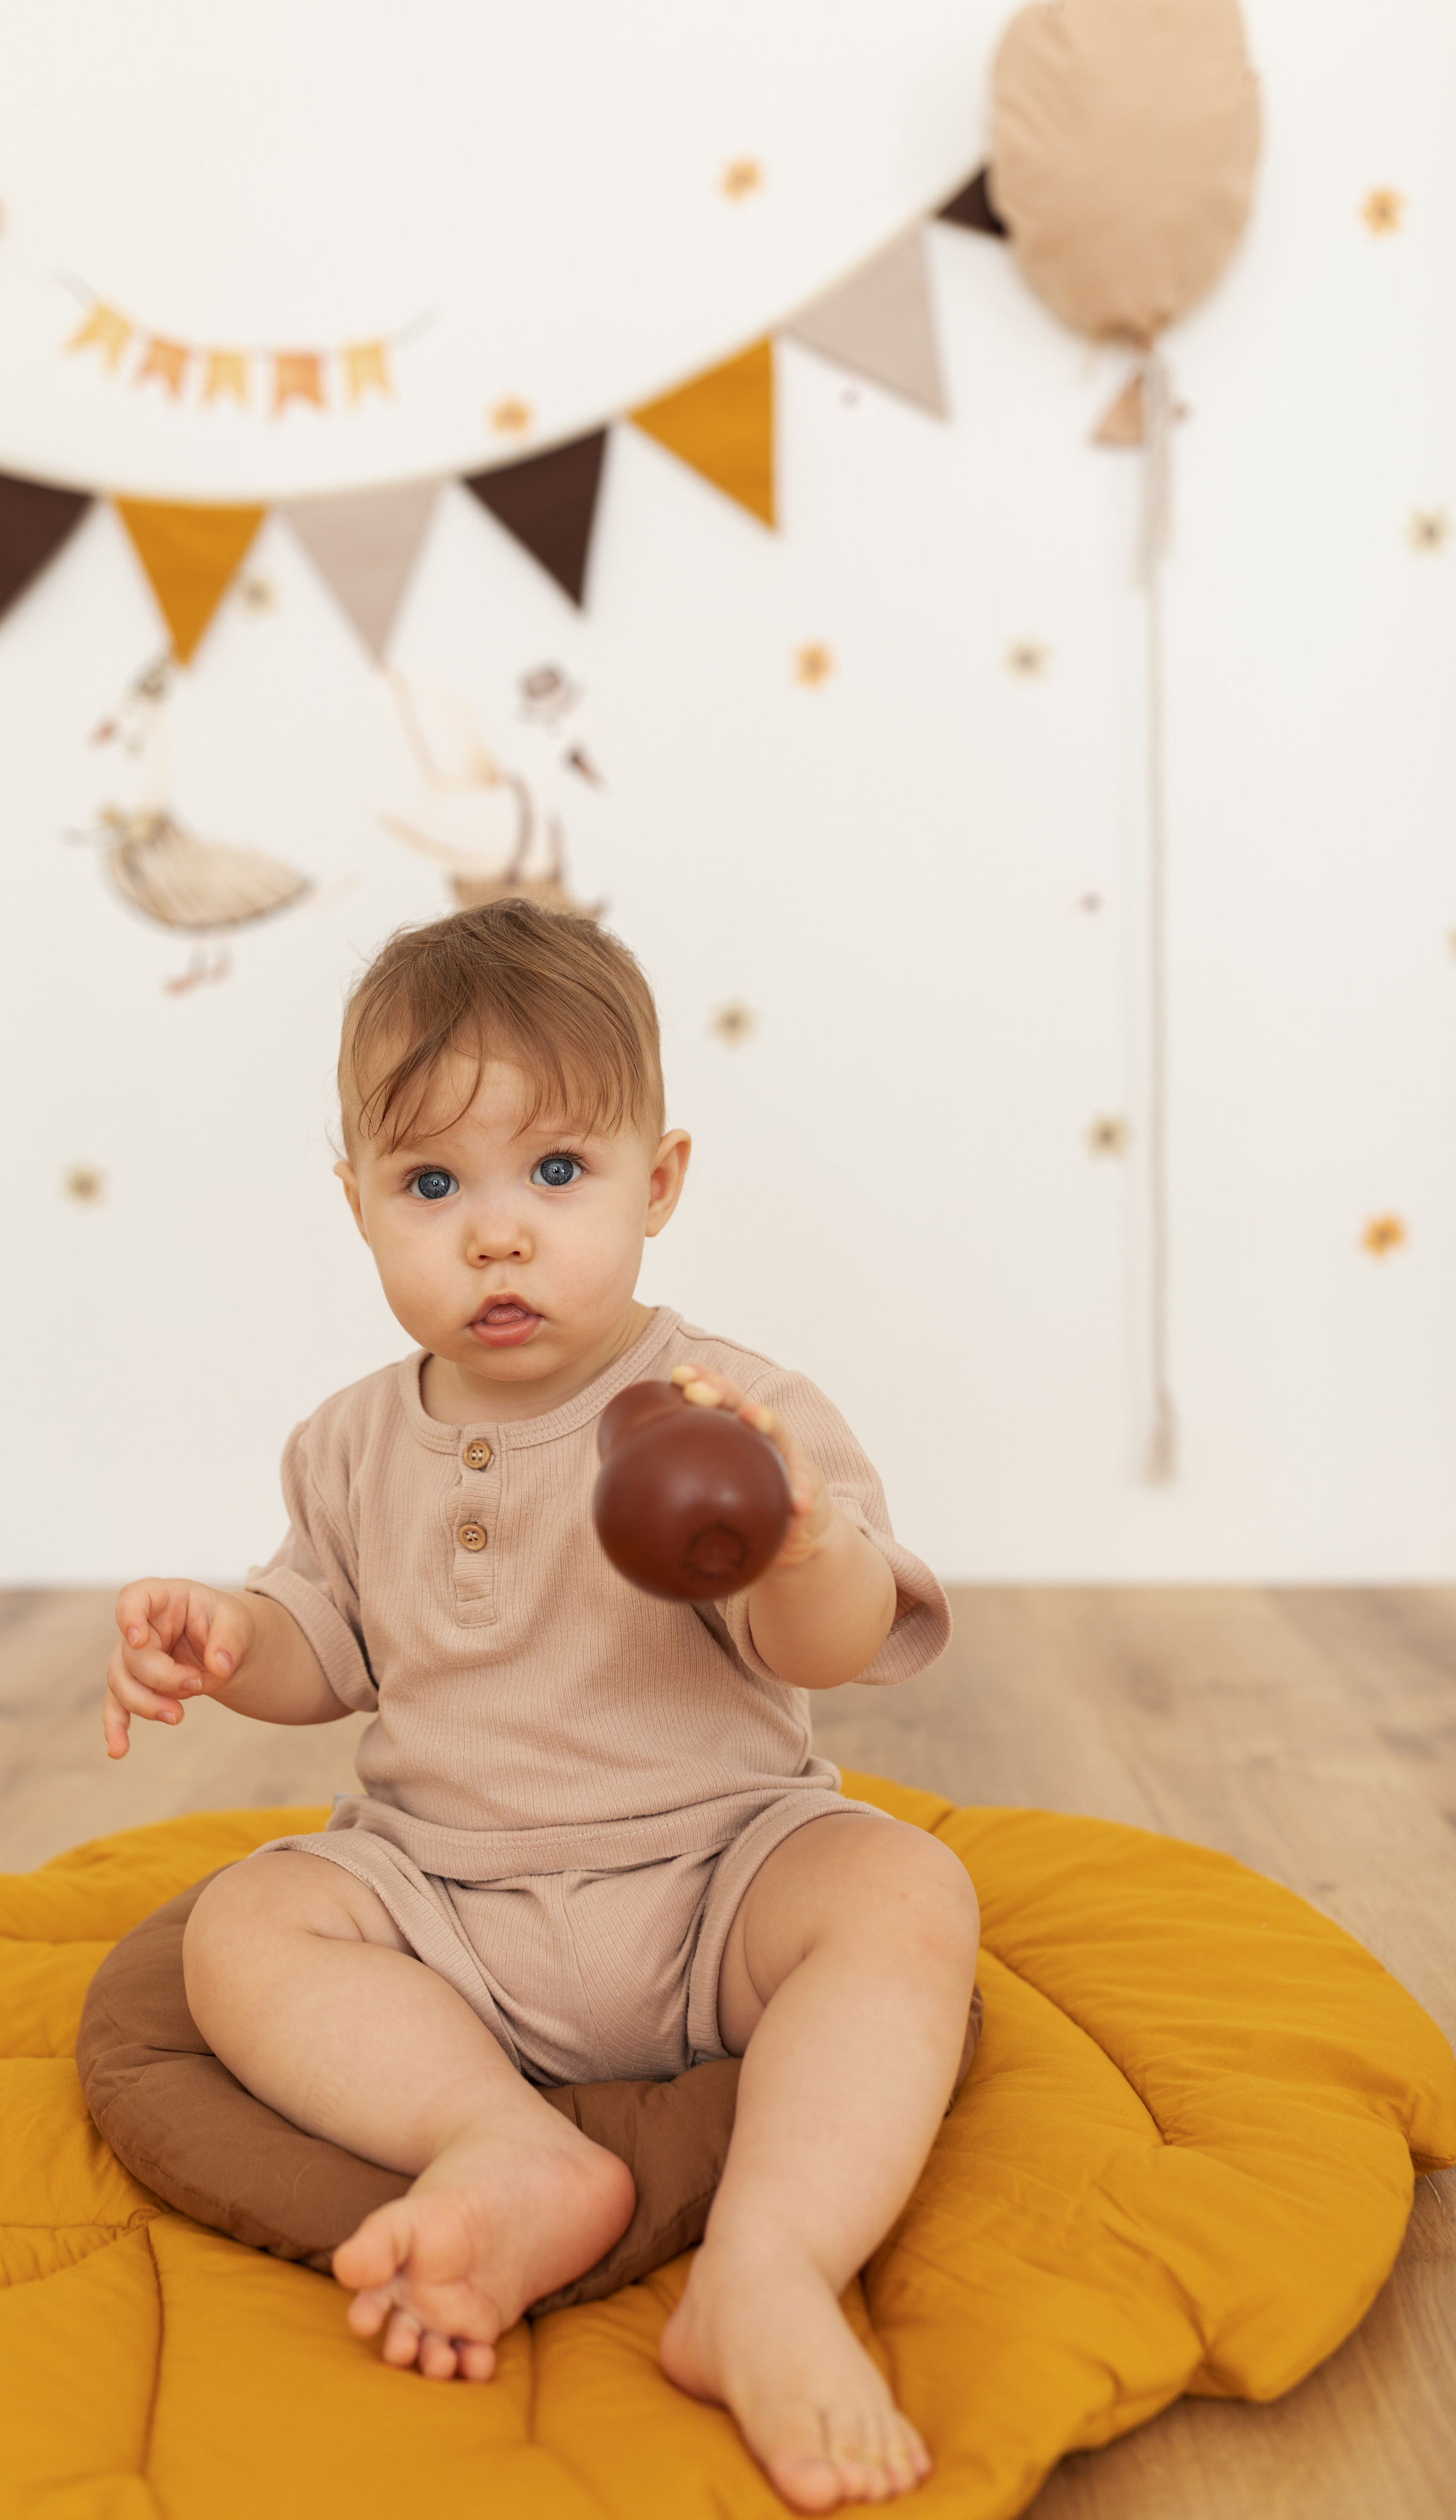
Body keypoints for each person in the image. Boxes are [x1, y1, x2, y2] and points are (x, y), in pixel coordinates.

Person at [102, 899, 978, 2513]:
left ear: (659, 1182)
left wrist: (803, 1544)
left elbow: (828, 1646)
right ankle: (497, 2141)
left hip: (713, 1885)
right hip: (448, 1908)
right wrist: (229, 1638)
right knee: (245, 1925)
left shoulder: (730, 1411)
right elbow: (325, 1646)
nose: (494, 1237)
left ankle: (768, 2268)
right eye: (432, 1186)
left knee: (902, 1891)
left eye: (556, 1172)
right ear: (357, 1204)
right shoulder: (348, 1443)